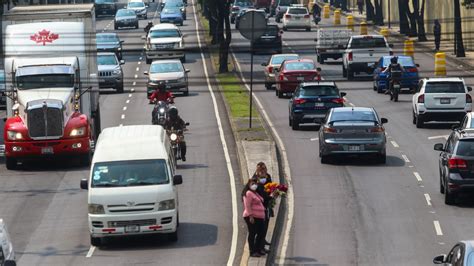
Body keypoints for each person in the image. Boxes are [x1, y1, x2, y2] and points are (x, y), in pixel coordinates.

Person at [242, 177, 266, 257]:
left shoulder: (256, 193)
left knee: (261, 233)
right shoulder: (248, 193)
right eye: (252, 184)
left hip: (259, 217)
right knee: (252, 233)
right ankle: (252, 251)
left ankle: (258, 249)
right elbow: (247, 205)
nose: (254, 185)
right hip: (252, 217)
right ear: (249, 185)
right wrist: (250, 216)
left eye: (255, 184)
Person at [252, 162, 273, 252]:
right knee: (260, 228)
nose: (263, 171)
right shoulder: (254, 180)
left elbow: (271, 186)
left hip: (267, 205)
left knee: (266, 225)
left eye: (264, 169)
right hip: (259, 207)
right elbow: (257, 193)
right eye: (261, 170)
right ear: (257, 171)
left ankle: (263, 243)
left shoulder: (268, 177)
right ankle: (259, 247)